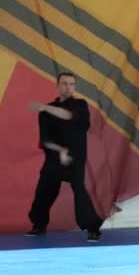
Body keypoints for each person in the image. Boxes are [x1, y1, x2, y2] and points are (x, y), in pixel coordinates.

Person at [25, 72, 103, 242]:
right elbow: (45, 139)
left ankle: (93, 228)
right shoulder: (45, 112)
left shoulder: (80, 105)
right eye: (64, 83)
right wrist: (59, 151)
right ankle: (39, 225)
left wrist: (45, 107)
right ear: (58, 85)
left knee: (79, 190)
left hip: (75, 157)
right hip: (55, 157)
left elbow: (68, 116)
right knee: (43, 191)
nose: (68, 87)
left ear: (74, 87)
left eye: (72, 84)